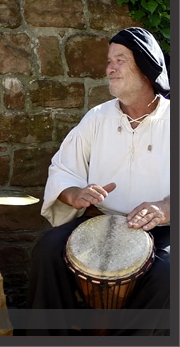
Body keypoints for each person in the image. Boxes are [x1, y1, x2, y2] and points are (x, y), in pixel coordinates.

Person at [26, 27, 170, 336]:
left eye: (120, 59)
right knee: (48, 250)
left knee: (169, 273)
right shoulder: (97, 117)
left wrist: (165, 206)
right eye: (109, 60)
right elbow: (63, 168)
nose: (109, 68)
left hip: (162, 230)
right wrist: (74, 193)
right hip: (100, 224)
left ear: (145, 68)